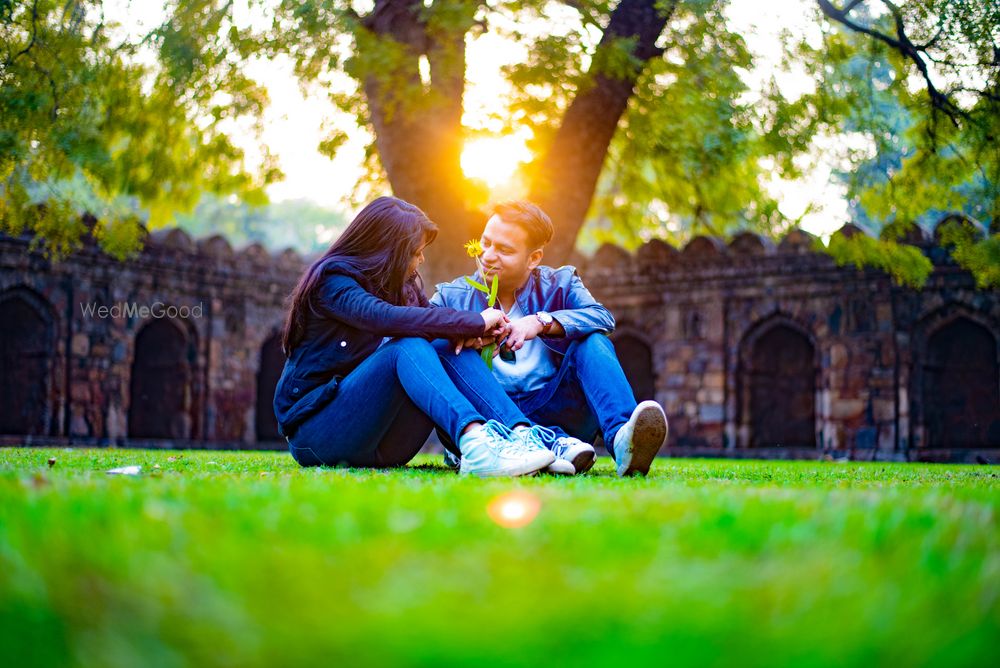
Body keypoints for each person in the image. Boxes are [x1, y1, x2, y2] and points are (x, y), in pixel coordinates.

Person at [273, 196, 557, 477]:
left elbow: (432, 326)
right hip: (318, 436)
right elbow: (382, 317)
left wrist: (469, 336)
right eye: (415, 252)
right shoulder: (333, 281)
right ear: (388, 250)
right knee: (408, 344)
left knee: (445, 343)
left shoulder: (403, 285)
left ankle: (522, 434)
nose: (420, 260)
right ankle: (476, 444)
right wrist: (475, 322)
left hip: (386, 443)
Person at [430, 200, 668, 477]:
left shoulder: (562, 282)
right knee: (438, 346)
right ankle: (546, 446)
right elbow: (419, 348)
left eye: (504, 250)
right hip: (487, 412)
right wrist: (467, 330)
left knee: (594, 342)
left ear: (533, 258)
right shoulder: (451, 295)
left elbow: (602, 317)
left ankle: (622, 441)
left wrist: (542, 322)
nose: (488, 256)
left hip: (555, 405)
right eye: (486, 242)